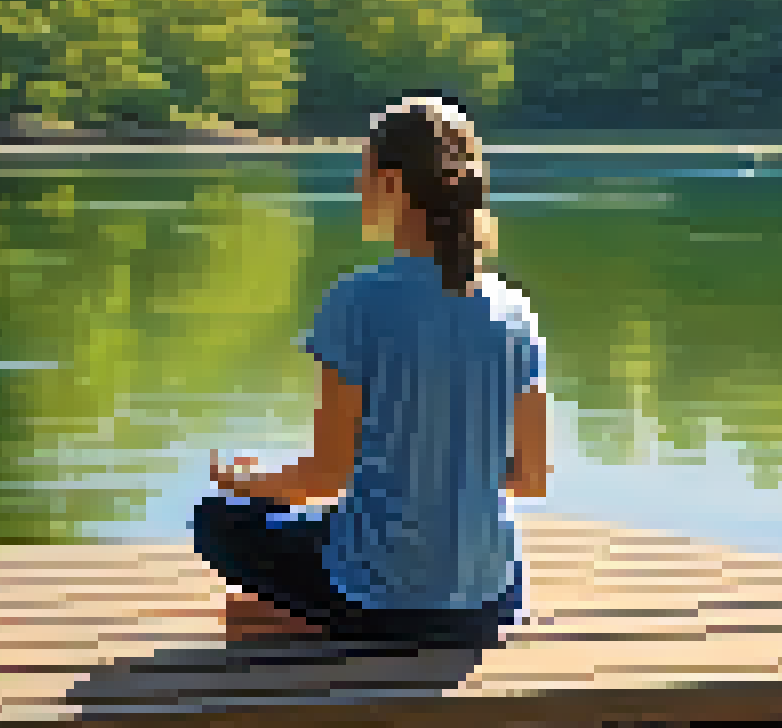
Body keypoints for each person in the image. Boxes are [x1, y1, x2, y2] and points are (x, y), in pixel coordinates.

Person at [193, 94, 550, 650]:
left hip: (380, 597)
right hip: (488, 601)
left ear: (392, 184)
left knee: (216, 520)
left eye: (362, 171)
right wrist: (448, 471)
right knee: (333, 536)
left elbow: (326, 477)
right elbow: (532, 477)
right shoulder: (514, 311)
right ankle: (295, 612)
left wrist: (245, 481)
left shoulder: (356, 300)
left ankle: (304, 616)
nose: (356, 187)